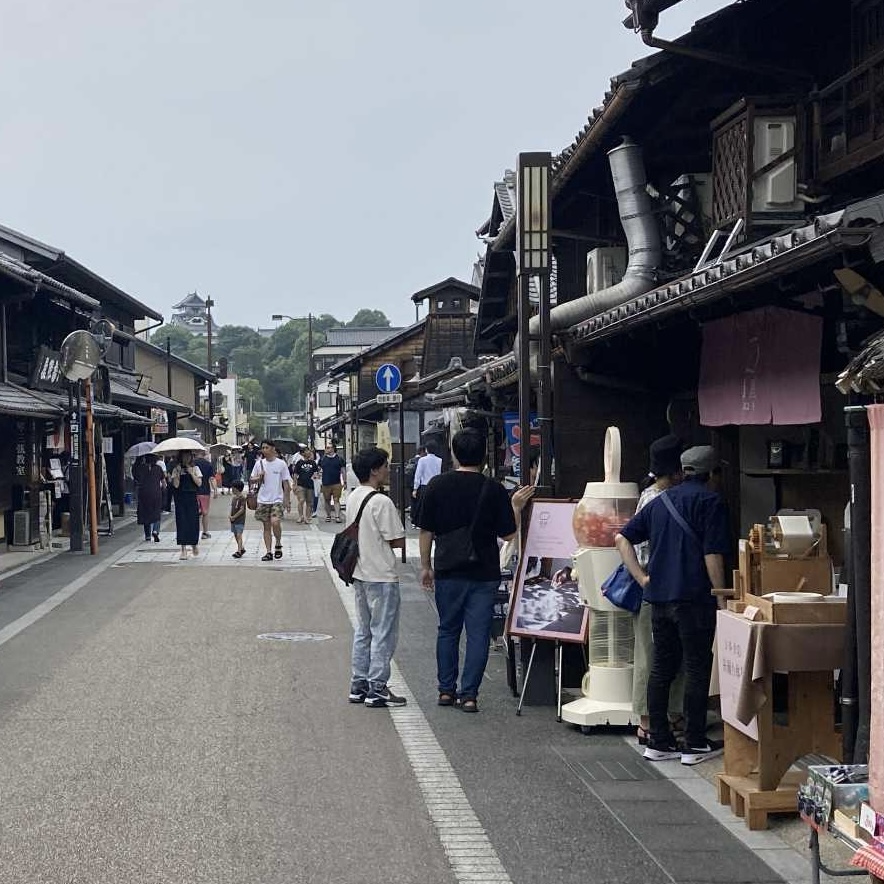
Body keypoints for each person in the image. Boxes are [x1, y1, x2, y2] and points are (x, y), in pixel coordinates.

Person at [615, 445, 730, 766]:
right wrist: (721, 596)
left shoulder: (661, 501)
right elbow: (712, 554)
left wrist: (642, 578)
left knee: (661, 668)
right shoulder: (711, 501)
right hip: (694, 598)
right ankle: (694, 743)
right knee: (696, 668)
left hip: (659, 598)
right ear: (712, 474)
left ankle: (659, 741)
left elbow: (622, 538)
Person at [417, 428, 517, 712]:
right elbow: (509, 534)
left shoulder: (437, 485)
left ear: (453, 453)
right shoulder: (494, 489)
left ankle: (446, 690)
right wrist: (516, 508)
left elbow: (426, 531)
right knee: (478, 634)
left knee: (448, 629)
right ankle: (469, 694)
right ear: (484, 455)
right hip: (484, 571)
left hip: (448, 568)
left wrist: (425, 566)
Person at [630, 435, 686, 747]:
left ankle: (665, 716)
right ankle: (648, 721)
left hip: (659, 585)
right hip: (655, 586)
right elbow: (632, 543)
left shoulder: (654, 495)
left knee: (661, 655)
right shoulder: (655, 499)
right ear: (676, 470)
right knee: (651, 656)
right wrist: (643, 578)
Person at [346, 446, 407, 708]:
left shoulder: (353, 496)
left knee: (364, 631)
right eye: (384, 466)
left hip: (359, 572)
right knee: (383, 632)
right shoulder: (381, 501)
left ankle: (358, 684)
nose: (387, 470)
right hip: (381, 574)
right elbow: (397, 539)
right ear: (374, 470)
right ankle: (378, 687)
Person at [251, 439, 292, 561]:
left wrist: (287, 500)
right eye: (263, 448)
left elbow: (286, 483)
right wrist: (259, 477)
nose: (264, 450)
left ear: (273, 449)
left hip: (277, 499)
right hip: (263, 499)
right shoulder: (259, 464)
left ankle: (278, 542)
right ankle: (269, 552)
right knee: (266, 526)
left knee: (275, 522)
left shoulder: (281, 464)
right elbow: (251, 479)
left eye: (267, 447)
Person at [170, 450, 202, 561]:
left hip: (192, 498)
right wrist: (178, 474)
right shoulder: (176, 469)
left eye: (188, 456)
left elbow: (199, 483)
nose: (186, 459)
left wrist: (191, 473)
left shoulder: (195, 468)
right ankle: (183, 549)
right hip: (180, 499)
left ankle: (194, 544)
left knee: (193, 522)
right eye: (184, 456)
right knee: (182, 522)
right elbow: (176, 485)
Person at [133, 454, 164, 543]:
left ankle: (147, 536)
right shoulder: (158, 468)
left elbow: (136, 478)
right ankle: (155, 530)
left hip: (144, 493)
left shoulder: (141, 468)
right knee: (157, 511)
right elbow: (163, 482)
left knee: (146, 513)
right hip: (156, 493)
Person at [411, 441, 442, 527]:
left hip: (425, 485)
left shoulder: (422, 460)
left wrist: (415, 488)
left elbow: (418, 474)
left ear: (426, 450)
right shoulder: (440, 460)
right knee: (435, 505)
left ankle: (419, 523)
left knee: (422, 506)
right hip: (436, 485)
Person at [319, 442, 346, 523]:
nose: (326, 449)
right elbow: (318, 470)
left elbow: (343, 471)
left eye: (328, 448)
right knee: (327, 500)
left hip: (336, 483)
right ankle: (328, 515)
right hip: (325, 483)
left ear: (333, 449)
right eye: (326, 448)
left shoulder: (339, 459)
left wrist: (345, 481)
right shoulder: (322, 459)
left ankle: (337, 516)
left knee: (336, 499)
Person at [292, 448, 319, 524]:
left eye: (309, 451)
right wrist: (295, 484)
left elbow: (316, 472)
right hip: (301, 484)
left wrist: (316, 476)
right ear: (303, 453)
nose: (309, 452)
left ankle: (308, 517)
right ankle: (300, 516)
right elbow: (295, 474)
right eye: (307, 451)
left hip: (310, 485)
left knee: (309, 502)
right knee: (301, 500)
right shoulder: (299, 463)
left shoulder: (313, 463)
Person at [193, 452, 216, 539]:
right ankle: (205, 532)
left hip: (194, 491)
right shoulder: (208, 464)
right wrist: (215, 490)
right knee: (205, 513)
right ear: (204, 454)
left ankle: (193, 532)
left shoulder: (192, 463)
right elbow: (212, 478)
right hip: (205, 491)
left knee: (194, 513)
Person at [228, 479, 247, 558]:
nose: (232, 489)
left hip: (240, 520)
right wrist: (230, 515)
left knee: (239, 535)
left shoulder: (242, 498)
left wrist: (234, 516)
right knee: (236, 534)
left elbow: (242, 509)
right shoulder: (234, 498)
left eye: (233, 488)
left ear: (236, 488)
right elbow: (232, 507)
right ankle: (241, 548)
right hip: (233, 520)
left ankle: (239, 551)